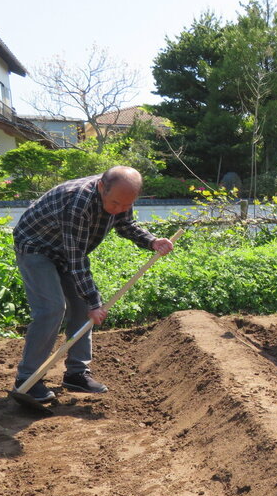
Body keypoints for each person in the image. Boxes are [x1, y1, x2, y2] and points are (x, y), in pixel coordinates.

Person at [12, 166, 174, 402]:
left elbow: (124, 224)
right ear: (101, 187)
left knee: (81, 307)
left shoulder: (122, 196)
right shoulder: (78, 202)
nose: (119, 209)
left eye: (126, 205)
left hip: (67, 249)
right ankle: (27, 379)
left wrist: (152, 241)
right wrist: (94, 302)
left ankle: (76, 374)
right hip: (36, 247)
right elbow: (75, 258)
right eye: (115, 204)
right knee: (52, 309)